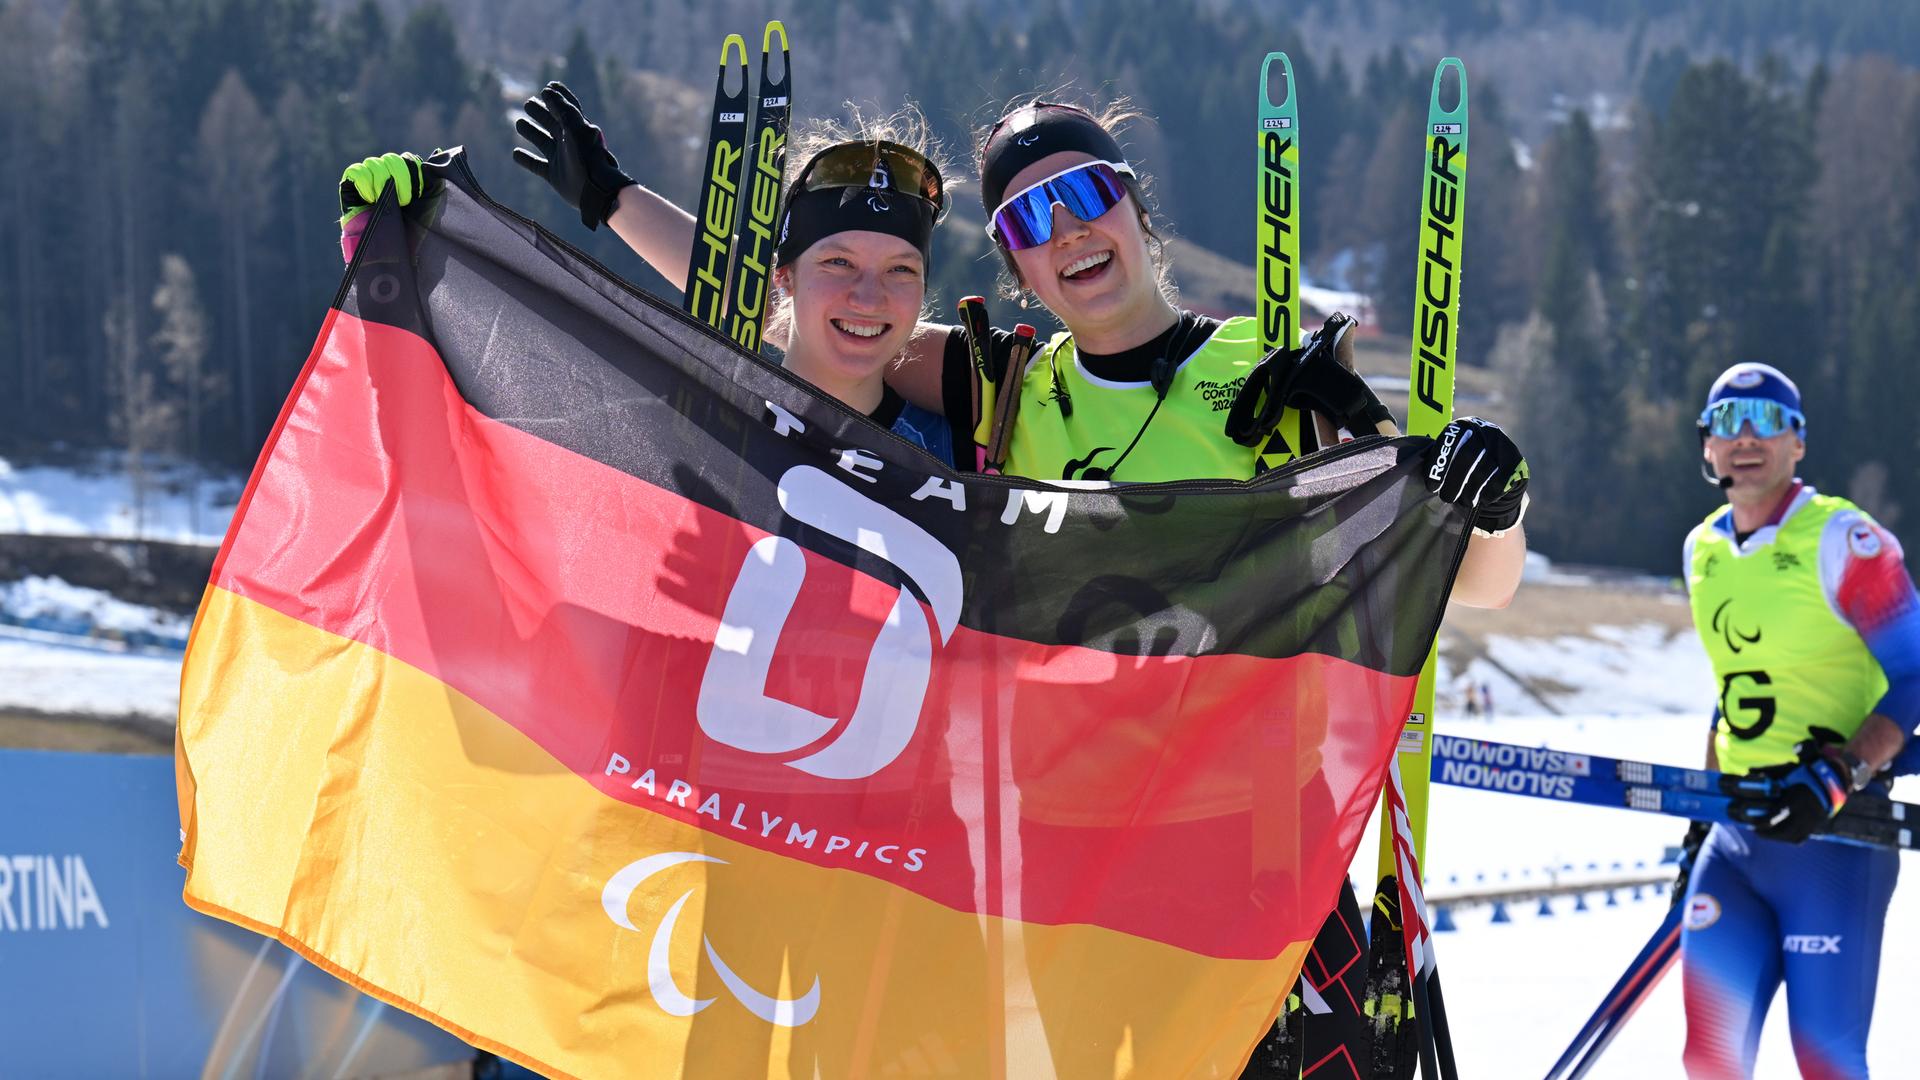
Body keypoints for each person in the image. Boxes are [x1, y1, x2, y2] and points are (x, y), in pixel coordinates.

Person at [1678, 362, 1920, 1078]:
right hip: (1735, 841)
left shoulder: (1843, 539)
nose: (1745, 438)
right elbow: (1732, 693)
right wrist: (1700, 814)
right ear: (1706, 447)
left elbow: (1914, 673)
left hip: (1837, 838)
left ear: (1799, 442)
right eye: (1727, 422)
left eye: (1766, 420)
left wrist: (1841, 773)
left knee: (1826, 1059)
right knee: (1710, 1059)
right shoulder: (1702, 551)